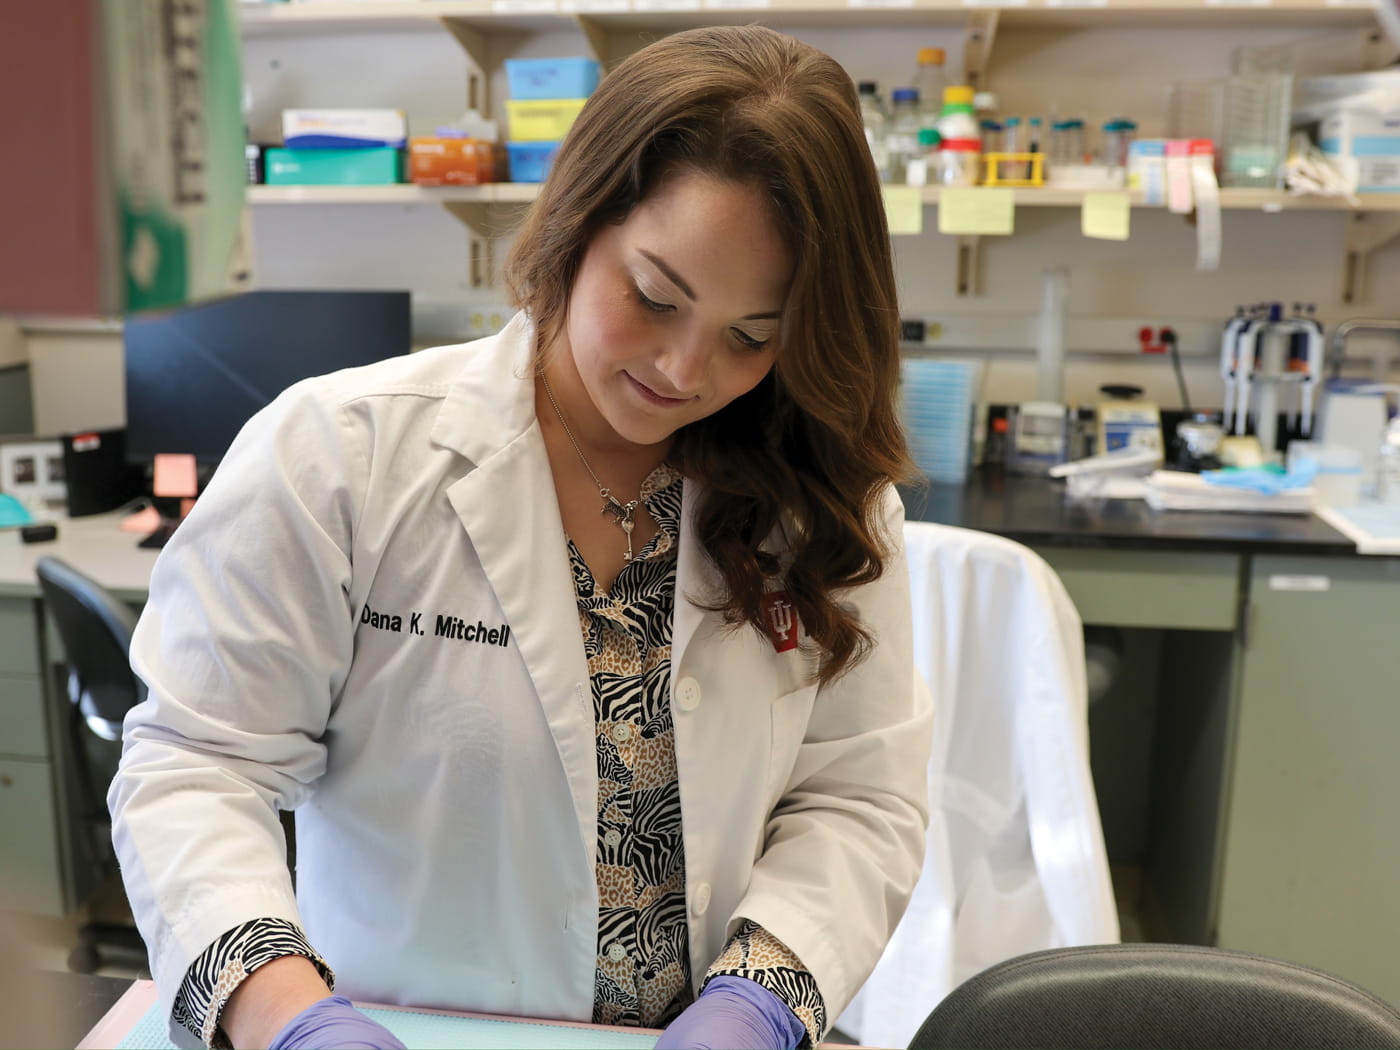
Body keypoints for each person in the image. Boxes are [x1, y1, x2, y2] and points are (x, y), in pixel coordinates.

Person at [110, 24, 932, 1050]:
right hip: (399, 1028)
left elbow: (858, 795)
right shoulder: (339, 453)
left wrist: (763, 999)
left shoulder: (821, 501)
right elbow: (196, 766)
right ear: (580, 218)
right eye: (653, 296)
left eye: (750, 335)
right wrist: (284, 1017)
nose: (683, 369)